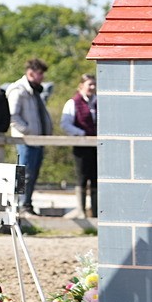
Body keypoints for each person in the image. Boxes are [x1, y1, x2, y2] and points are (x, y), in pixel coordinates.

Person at [6, 57, 53, 215]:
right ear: (31, 73)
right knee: (23, 174)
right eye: (40, 73)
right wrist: (27, 130)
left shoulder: (35, 91)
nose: (42, 77)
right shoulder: (19, 90)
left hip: (37, 141)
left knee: (32, 174)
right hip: (25, 141)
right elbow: (13, 116)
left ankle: (27, 204)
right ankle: (19, 206)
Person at [60, 73, 98, 218]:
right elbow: (65, 124)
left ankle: (95, 213)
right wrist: (82, 133)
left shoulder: (97, 101)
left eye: (94, 84)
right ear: (81, 86)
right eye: (90, 84)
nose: (92, 87)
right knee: (82, 178)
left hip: (96, 146)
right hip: (81, 146)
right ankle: (81, 211)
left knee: (95, 178)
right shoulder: (73, 103)